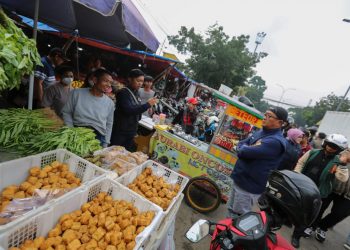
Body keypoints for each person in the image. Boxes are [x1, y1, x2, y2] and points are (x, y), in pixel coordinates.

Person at [227, 106, 288, 217]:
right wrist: (245, 147)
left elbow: (244, 152)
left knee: (238, 216)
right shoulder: (262, 132)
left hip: (249, 185)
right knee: (231, 209)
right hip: (240, 178)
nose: (264, 118)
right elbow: (241, 143)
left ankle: (232, 234)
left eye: (269, 116)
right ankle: (224, 232)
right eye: (265, 115)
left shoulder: (275, 141)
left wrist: (244, 148)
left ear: (280, 123)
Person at [291, 134, 349, 248]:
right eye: (330, 144)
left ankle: (296, 236)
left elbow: (343, 178)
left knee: (308, 216)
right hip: (301, 185)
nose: (330, 148)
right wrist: (296, 175)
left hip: (319, 192)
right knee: (291, 205)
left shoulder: (338, 161)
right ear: (326, 143)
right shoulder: (313, 152)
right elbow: (301, 163)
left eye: (334, 147)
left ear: (339, 149)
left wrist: (342, 164)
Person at [62, 69, 115, 147]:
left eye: (110, 83)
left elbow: (109, 124)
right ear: (95, 80)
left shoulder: (110, 103)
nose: (109, 85)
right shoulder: (77, 93)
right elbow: (67, 112)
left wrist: (106, 142)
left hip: (98, 137)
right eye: (106, 81)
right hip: (76, 131)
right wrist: (70, 131)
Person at [306, 149, 350, 243]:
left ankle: (322, 227)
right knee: (320, 208)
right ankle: (311, 226)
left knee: (340, 213)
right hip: (332, 187)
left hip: (348, 195)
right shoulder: (343, 152)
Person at [111, 69, 158, 151]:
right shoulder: (123, 92)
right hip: (121, 130)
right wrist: (147, 104)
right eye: (138, 80)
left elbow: (136, 108)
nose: (140, 83)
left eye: (142, 81)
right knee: (113, 152)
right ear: (130, 79)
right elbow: (128, 110)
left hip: (131, 130)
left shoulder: (136, 92)